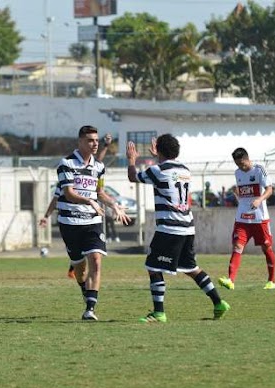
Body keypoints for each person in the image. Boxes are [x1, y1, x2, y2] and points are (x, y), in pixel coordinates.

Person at [126, 135, 230, 322]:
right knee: (191, 268)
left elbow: (133, 177)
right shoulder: (185, 170)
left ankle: (159, 313)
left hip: (169, 228)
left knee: (153, 267)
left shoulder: (157, 170)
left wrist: (132, 160)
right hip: (187, 227)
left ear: (159, 150)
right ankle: (218, 302)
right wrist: (159, 156)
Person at [56, 125, 130, 320]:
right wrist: (89, 201)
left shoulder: (99, 167)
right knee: (79, 270)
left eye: (96, 140)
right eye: (90, 140)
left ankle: (90, 308)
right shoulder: (67, 164)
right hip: (70, 222)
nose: (95, 143)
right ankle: (84, 289)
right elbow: (69, 193)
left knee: (96, 260)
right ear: (80, 141)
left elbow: (100, 192)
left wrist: (114, 205)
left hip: (92, 220)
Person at [39, 134, 114, 280]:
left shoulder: (93, 168)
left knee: (92, 255)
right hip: (71, 222)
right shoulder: (65, 179)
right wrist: (46, 216)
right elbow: (55, 199)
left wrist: (105, 145)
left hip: (89, 220)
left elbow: (98, 160)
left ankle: (77, 270)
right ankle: (75, 267)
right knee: (80, 256)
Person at [218, 147, 275, 290]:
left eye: (242, 164)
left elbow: (269, 189)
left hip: (260, 218)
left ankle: (271, 280)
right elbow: (244, 194)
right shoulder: (237, 173)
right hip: (242, 218)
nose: (240, 167)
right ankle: (230, 280)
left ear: (247, 159)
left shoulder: (259, 170)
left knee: (266, 247)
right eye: (237, 165)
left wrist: (259, 199)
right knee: (237, 246)